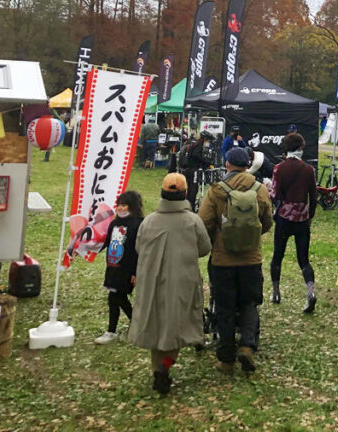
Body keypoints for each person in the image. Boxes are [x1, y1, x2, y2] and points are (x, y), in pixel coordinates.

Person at [129, 174, 211, 395]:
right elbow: (204, 248)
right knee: (176, 327)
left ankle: (158, 369)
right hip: (182, 282)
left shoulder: (149, 221)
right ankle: (165, 366)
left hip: (151, 282)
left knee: (157, 324)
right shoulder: (193, 221)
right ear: (185, 194)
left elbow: (139, 247)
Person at [198, 148, 273, 375]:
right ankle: (248, 346)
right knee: (249, 303)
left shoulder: (216, 191)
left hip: (222, 260)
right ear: (247, 165)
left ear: (228, 164)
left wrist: (216, 240)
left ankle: (227, 359)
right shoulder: (259, 190)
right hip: (251, 259)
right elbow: (268, 221)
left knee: (224, 307)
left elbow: (204, 223)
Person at [269, 134, 319, 312]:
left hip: (284, 217)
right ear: (301, 148)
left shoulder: (278, 168)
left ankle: (275, 292)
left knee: (277, 256)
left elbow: (274, 194)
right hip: (302, 218)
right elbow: (313, 196)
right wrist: (310, 215)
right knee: (304, 259)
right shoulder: (308, 169)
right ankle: (311, 292)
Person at [95, 191, 143, 345]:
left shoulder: (139, 224)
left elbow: (139, 250)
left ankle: (112, 331)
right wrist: (82, 250)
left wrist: (136, 272)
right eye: (119, 205)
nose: (120, 208)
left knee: (115, 297)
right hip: (113, 267)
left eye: (124, 204)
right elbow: (106, 243)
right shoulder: (114, 224)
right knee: (117, 298)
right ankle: (137, 324)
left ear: (133, 206)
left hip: (128, 269)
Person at [183, 131, 216, 211]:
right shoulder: (199, 144)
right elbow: (196, 155)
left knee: (189, 188)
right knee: (193, 189)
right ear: (205, 139)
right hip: (193, 169)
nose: (208, 142)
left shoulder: (195, 143)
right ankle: (191, 208)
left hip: (188, 169)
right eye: (208, 140)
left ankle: (188, 206)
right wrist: (205, 161)